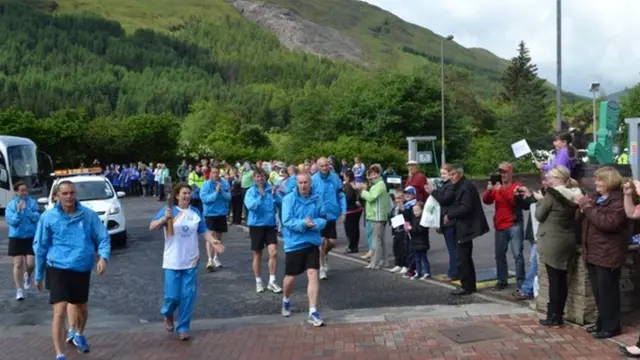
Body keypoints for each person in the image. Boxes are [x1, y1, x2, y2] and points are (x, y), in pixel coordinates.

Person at [33, 181, 111, 359]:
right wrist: (38, 274)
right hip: (57, 267)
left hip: (81, 267)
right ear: (57, 196)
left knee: (81, 308)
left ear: (76, 194)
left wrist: (103, 257)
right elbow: (40, 246)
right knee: (59, 310)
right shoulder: (48, 217)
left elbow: (103, 237)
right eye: (65, 193)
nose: (69, 197)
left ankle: (79, 333)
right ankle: (60, 354)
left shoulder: (88, 216)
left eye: (72, 193)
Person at [149, 184, 225, 341]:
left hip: (191, 260)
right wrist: (164, 219)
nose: (187, 196)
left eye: (189, 193)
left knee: (188, 296)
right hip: (172, 260)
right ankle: (168, 313)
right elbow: (151, 227)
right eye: (184, 193)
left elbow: (204, 231)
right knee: (172, 296)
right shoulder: (169, 210)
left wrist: (213, 241)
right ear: (177, 195)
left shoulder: (195, 212)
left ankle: (183, 327)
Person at [576, 166, 627, 339]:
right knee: (598, 292)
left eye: (600, 180)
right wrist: (581, 208)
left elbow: (608, 224)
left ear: (609, 181)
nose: (595, 182)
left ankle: (612, 327)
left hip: (608, 252)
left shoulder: (618, 201)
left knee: (608, 292)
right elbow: (584, 219)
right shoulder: (596, 198)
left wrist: (588, 209)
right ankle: (602, 322)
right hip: (594, 251)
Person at [533, 166, 582, 326]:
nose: (549, 180)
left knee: (554, 280)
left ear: (558, 178)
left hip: (552, 242)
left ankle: (553, 316)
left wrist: (540, 200)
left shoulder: (552, 195)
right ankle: (558, 313)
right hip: (567, 239)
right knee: (562, 280)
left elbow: (539, 216)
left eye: (551, 177)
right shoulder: (575, 194)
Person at [281, 172, 326, 327]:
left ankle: (312, 311)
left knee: (313, 274)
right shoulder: (288, 199)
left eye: (305, 182)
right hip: (294, 243)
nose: (303, 186)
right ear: (296, 184)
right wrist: (302, 224)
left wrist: (316, 224)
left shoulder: (317, 198)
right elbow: (286, 221)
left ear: (310, 183)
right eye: (300, 183)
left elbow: (323, 217)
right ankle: (286, 300)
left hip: (312, 242)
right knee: (290, 278)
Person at [445, 164, 489, 296]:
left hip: (466, 226)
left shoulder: (465, 186)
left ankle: (467, 286)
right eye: (450, 174)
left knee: (463, 257)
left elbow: (465, 207)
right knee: (464, 256)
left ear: (460, 174)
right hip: (464, 225)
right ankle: (469, 285)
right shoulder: (462, 185)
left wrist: (450, 215)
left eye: (452, 174)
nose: (451, 177)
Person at [482, 162, 526, 290]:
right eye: (501, 172)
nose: (503, 175)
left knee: (517, 254)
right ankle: (502, 280)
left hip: (514, 223)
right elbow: (487, 201)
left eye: (505, 172)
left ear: (511, 172)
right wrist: (488, 191)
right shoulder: (497, 187)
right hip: (500, 224)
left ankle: (521, 282)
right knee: (500, 254)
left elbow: (513, 201)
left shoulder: (516, 186)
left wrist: (500, 190)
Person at [244, 168, 283, 294]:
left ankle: (272, 281)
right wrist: (260, 197)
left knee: (274, 253)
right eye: (257, 177)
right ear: (254, 178)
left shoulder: (270, 189)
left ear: (265, 177)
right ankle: (258, 281)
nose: (260, 179)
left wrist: (275, 194)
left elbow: (281, 203)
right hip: (256, 225)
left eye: (262, 176)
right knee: (258, 254)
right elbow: (251, 207)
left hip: (270, 225)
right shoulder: (250, 192)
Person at [311, 157, 346, 280]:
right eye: (322, 166)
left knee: (331, 242)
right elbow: (309, 197)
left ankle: (324, 254)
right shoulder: (313, 180)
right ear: (318, 166)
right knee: (320, 241)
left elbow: (341, 195)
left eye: (326, 165)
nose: (325, 168)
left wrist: (344, 211)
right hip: (319, 215)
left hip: (332, 215)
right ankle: (321, 268)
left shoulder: (335, 178)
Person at [6, 181, 40, 301]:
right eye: (22, 190)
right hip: (16, 236)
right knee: (18, 263)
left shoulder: (32, 202)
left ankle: (28, 275)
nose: (25, 192)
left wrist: (27, 210)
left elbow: (37, 217)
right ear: (16, 192)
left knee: (31, 263)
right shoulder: (11, 205)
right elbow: (12, 222)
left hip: (30, 236)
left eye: (26, 190)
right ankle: (19, 290)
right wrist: (19, 212)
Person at [425, 164, 457, 281]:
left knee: (452, 248)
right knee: (452, 248)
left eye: (444, 173)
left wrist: (433, 192)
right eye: (441, 173)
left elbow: (444, 199)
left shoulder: (450, 186)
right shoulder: (446, 185)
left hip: (449, 221)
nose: (442, 176)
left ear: (450, 174)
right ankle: (453, 271)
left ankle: (453, 273)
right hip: (446, 220)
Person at [355, 164, 390, 269]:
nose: (372, 176)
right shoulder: (377, 185)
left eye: (375, 174)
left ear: (379, 174)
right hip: (376, 216)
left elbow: (371, 198)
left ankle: (374, 263)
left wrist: (363, 190)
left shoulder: (380, 185)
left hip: (377, 216)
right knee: (380, 240)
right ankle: (384, 261)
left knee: (376, 241)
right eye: (371, 174)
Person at [200, 166, 231, 271]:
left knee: (218, 237)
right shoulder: (205, 185)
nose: (215, 174)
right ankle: (209, 259)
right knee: (210, 237)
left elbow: (228, 197)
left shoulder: (225, 183)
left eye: (217, 172)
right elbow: (205, 199)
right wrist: (216, 193)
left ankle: (216, 257)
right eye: (213, 172)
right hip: (210, 213)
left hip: (221, 213)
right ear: (210, 173)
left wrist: (221, 191)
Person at [408, 202, 430, 279]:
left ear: (422, 210)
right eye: (414, 211)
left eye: (417, 210)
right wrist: (409, 229)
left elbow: (421, 229)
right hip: (415, 242)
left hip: (422, 242)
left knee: (424, 258)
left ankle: (427, 272)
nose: (415, 212)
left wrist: (411, 228)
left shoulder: (424, 220)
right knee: (417, 259)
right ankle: (418, 271)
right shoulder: (414, 219)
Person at [342, 170, 362, 254]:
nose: (344, 178)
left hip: (351, 210)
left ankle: (352, 246)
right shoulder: (352, 184)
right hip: (356, 209)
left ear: (348, 177)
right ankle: (353, 245)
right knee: (355, 229)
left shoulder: (349, 186)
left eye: (345, 177)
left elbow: (347, 198)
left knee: (351, 229)